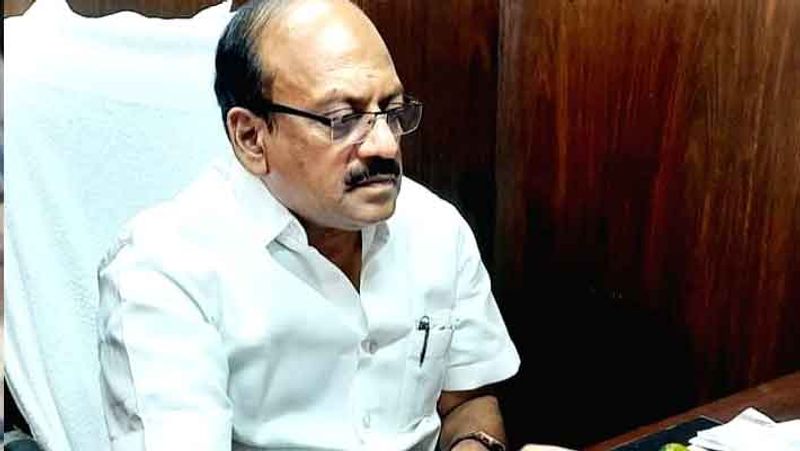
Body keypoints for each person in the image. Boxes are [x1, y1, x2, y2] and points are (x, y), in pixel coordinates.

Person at [97, 0, 521, 450]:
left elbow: (466, 402)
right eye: (342, 120)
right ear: (251, 137)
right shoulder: (163, 269)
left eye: (392, 111)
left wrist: (473, 444)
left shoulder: (436, 228)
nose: (384, 146)